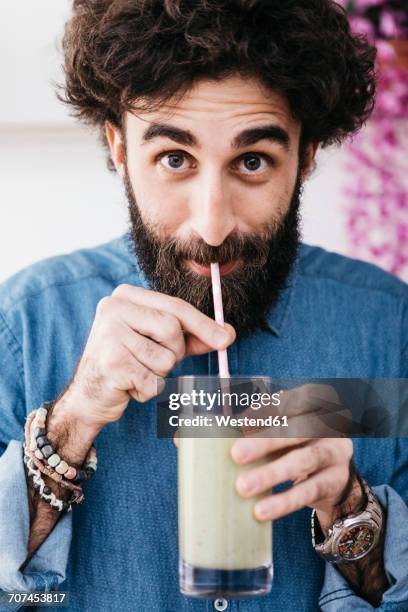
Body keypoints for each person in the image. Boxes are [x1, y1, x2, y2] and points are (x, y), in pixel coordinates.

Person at [0, 1, 407, 610]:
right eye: (174, 159)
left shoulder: (386, 328)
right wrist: (72, 419)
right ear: (117, 145)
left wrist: (350, 510)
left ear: (308, 154)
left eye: (252, 161)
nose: (212, 225)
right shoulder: (25, 324)